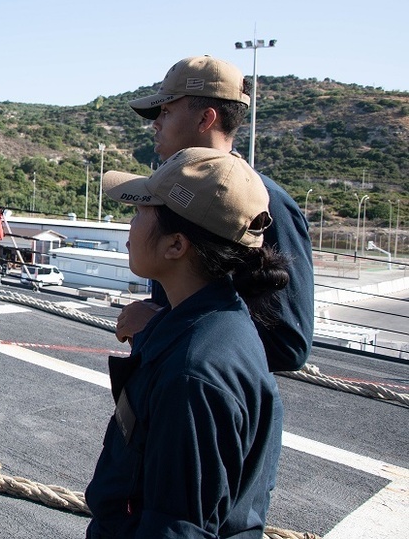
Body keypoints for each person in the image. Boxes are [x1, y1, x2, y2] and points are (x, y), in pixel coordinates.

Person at [86, 147, 289, 538]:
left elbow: (178, 528)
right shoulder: (215, 324)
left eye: (141, 211)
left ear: (176, 245)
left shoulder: (193, 374)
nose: (130, 223)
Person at [118, 55, 314, 373]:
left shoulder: (268, 203)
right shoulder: (176, 191)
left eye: (166, 112)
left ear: (205, 120)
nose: (155, 123)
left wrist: (157, 324)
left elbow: (288, 346)